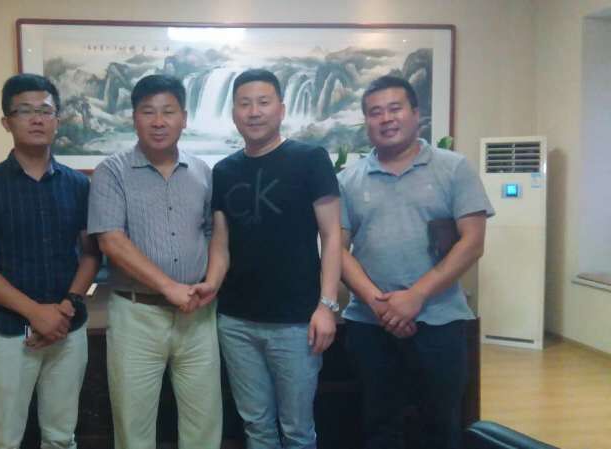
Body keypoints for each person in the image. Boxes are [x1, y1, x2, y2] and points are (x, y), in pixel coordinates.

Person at [337, 75, 494, 449]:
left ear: (415, 113)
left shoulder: (453, 168)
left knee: (440, 426)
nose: (386, 119)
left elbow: (472, 243)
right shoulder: (348, 179)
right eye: (375, 112)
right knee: (378, 425)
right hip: (370, 324)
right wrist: (380, 304)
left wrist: (416, 296)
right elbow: (336, 250)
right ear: (366, 121)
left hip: (439, 321)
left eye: (395, 108)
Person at [193, 68, 341, 449]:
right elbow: (221, 243)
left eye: (263, 102)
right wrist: (211, 284)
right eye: (244, 104)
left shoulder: (310, 159)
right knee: (256, 426)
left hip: (296, 322)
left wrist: (327, 305)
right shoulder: (224, 171)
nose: (254, 112)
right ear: (234, 113)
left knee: (297, 430)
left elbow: (332, 236)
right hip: (236, 322)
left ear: (281, 109)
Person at [0, 73, 101, 449]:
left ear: (58, 119)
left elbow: (90, 253)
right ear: (7, 122)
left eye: (45, 110)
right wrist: (35, 312)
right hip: (8, 331)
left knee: (61, 437)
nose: (37, 119)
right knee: (5, 439)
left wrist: (67, 305)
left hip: (68, 328)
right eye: (24, 111)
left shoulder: (78, 185)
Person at [87, 74, 222, 449]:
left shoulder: (202, 172)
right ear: (134, 118)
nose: (159, 121)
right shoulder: (112, 171)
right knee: (134, 428)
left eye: (168, 111)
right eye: (148, 112)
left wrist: (211, 281)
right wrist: (169, 287)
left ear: (184, 118)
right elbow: (111, 240)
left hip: (198, 315)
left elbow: (212, 233)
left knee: (204, 425)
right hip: (137, 315)